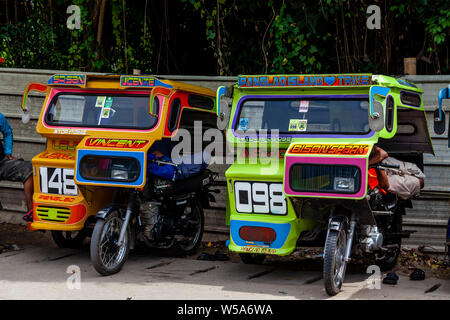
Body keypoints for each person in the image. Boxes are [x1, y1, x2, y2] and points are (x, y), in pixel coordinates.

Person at [0, 113, 34, 221]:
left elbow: (8, 132)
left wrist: (8, 151)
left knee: (29, 168)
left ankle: (31, 212)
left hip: (2, 162)